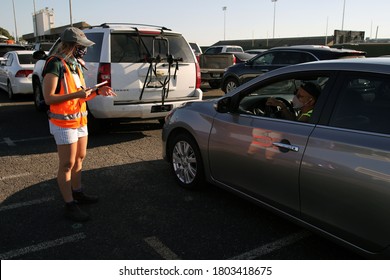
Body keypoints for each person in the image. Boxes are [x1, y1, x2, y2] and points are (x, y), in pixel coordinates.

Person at [42, 27, 116, 222]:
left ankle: (78, 192)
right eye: (82, 46)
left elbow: (81, 97)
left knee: (80, 159)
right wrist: (77, 94)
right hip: (63, 123)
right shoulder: (55, 64)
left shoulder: (76, 65)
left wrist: (98, 92)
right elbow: (49, 98)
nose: (84, 50)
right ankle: (69, 204)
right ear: (71, 46)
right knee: (67, 163)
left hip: (79, 120)